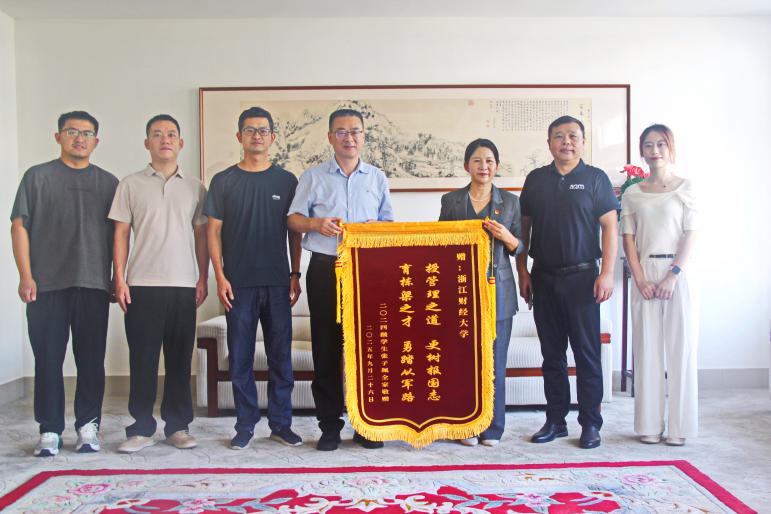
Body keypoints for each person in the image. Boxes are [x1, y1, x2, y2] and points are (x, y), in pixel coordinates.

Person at [11, 111, 118, 457]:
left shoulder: (109, 183)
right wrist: (26, 275)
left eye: (87, 133)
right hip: (46, 286)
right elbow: (19, 226)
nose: (79, 138)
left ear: (96, 141)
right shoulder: (37, 177)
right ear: (58, 137)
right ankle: (49, 429)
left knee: (91, 361)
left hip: (94, 284)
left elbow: (119, 236)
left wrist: (117, 276)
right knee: (48, 359)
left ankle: (88, 426)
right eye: (72, 131)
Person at [287, 108, 394, 451]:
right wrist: (315, 224)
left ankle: (367, 425)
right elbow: (292, 219)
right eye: (342, 131)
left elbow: (390, 224)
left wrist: (376, 230)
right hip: (325, 268)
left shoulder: (376, 177)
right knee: (326, 347)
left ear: (364, 136)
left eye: (355, 131)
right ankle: (330, 426)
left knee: (367, 348)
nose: (350, 137)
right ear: (330, 137)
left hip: (367, 271)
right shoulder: (313, 176)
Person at [516, 115, 618, 449]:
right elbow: (523, 230)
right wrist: (523, 272)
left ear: (583, 142)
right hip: (544, 277)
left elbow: (610, 227)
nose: (566, 142)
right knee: (552, 356)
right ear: (549, 143)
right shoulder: (536, 180)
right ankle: (555, 420)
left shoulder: (595, 179)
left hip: (583, 279)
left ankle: (590, 424)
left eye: (573, 136)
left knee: (587, 355)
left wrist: (607, 273)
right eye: (559, 136)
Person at [205, 106, 303, 450]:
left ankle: (281, 424)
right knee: (241, 357)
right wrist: (219, 276)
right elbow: (213, 232)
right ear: (239, 136)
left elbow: (294, 232)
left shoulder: (287, 181)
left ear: (273, 137)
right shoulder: (223, 181)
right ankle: (245, 424)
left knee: (280, 357)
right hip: (238, 284)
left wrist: (295, 273)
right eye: (249, 130)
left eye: (263, 130)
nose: (256, 135)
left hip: (278, 283)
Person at [109, 114, 208, 453]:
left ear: (180, 143)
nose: (165, 139)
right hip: (142, 284)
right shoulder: (130, 184)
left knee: (179, 360)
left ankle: (177, 427)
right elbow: (121, 233)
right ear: (146, 143)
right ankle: (140, 428)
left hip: (183, 285)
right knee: (143, 359)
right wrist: (119, 277)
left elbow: (202, 236)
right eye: (157, 134)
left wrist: (203, 276)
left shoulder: (196, 187)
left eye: (171, 134)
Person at [438, 138, 522, 447]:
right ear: (466, 166)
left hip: (498, 291)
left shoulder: (510, 202)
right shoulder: (451, 201)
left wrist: (507, 236)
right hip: (460, 290)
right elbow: (439, 243)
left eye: (489, 161)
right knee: (464, 362)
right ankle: (466, 425)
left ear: (496, 166)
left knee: (495, 362)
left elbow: (521, 247)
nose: (483, 166)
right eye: (477, 161)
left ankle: (492, 428)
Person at [621, 124, 698, 446]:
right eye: (649, 145)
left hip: (677, 273)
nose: (655, 151)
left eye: (661, 144)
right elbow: (628, 239)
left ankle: (680, 428)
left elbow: (690, 234)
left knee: (681, 349)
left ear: (671, 147)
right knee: (647, 351)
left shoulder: (685, 187)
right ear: (642, 151)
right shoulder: (632, 193)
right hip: (645, 273)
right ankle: (649, 425)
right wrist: (640, 278)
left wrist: (673, 275)